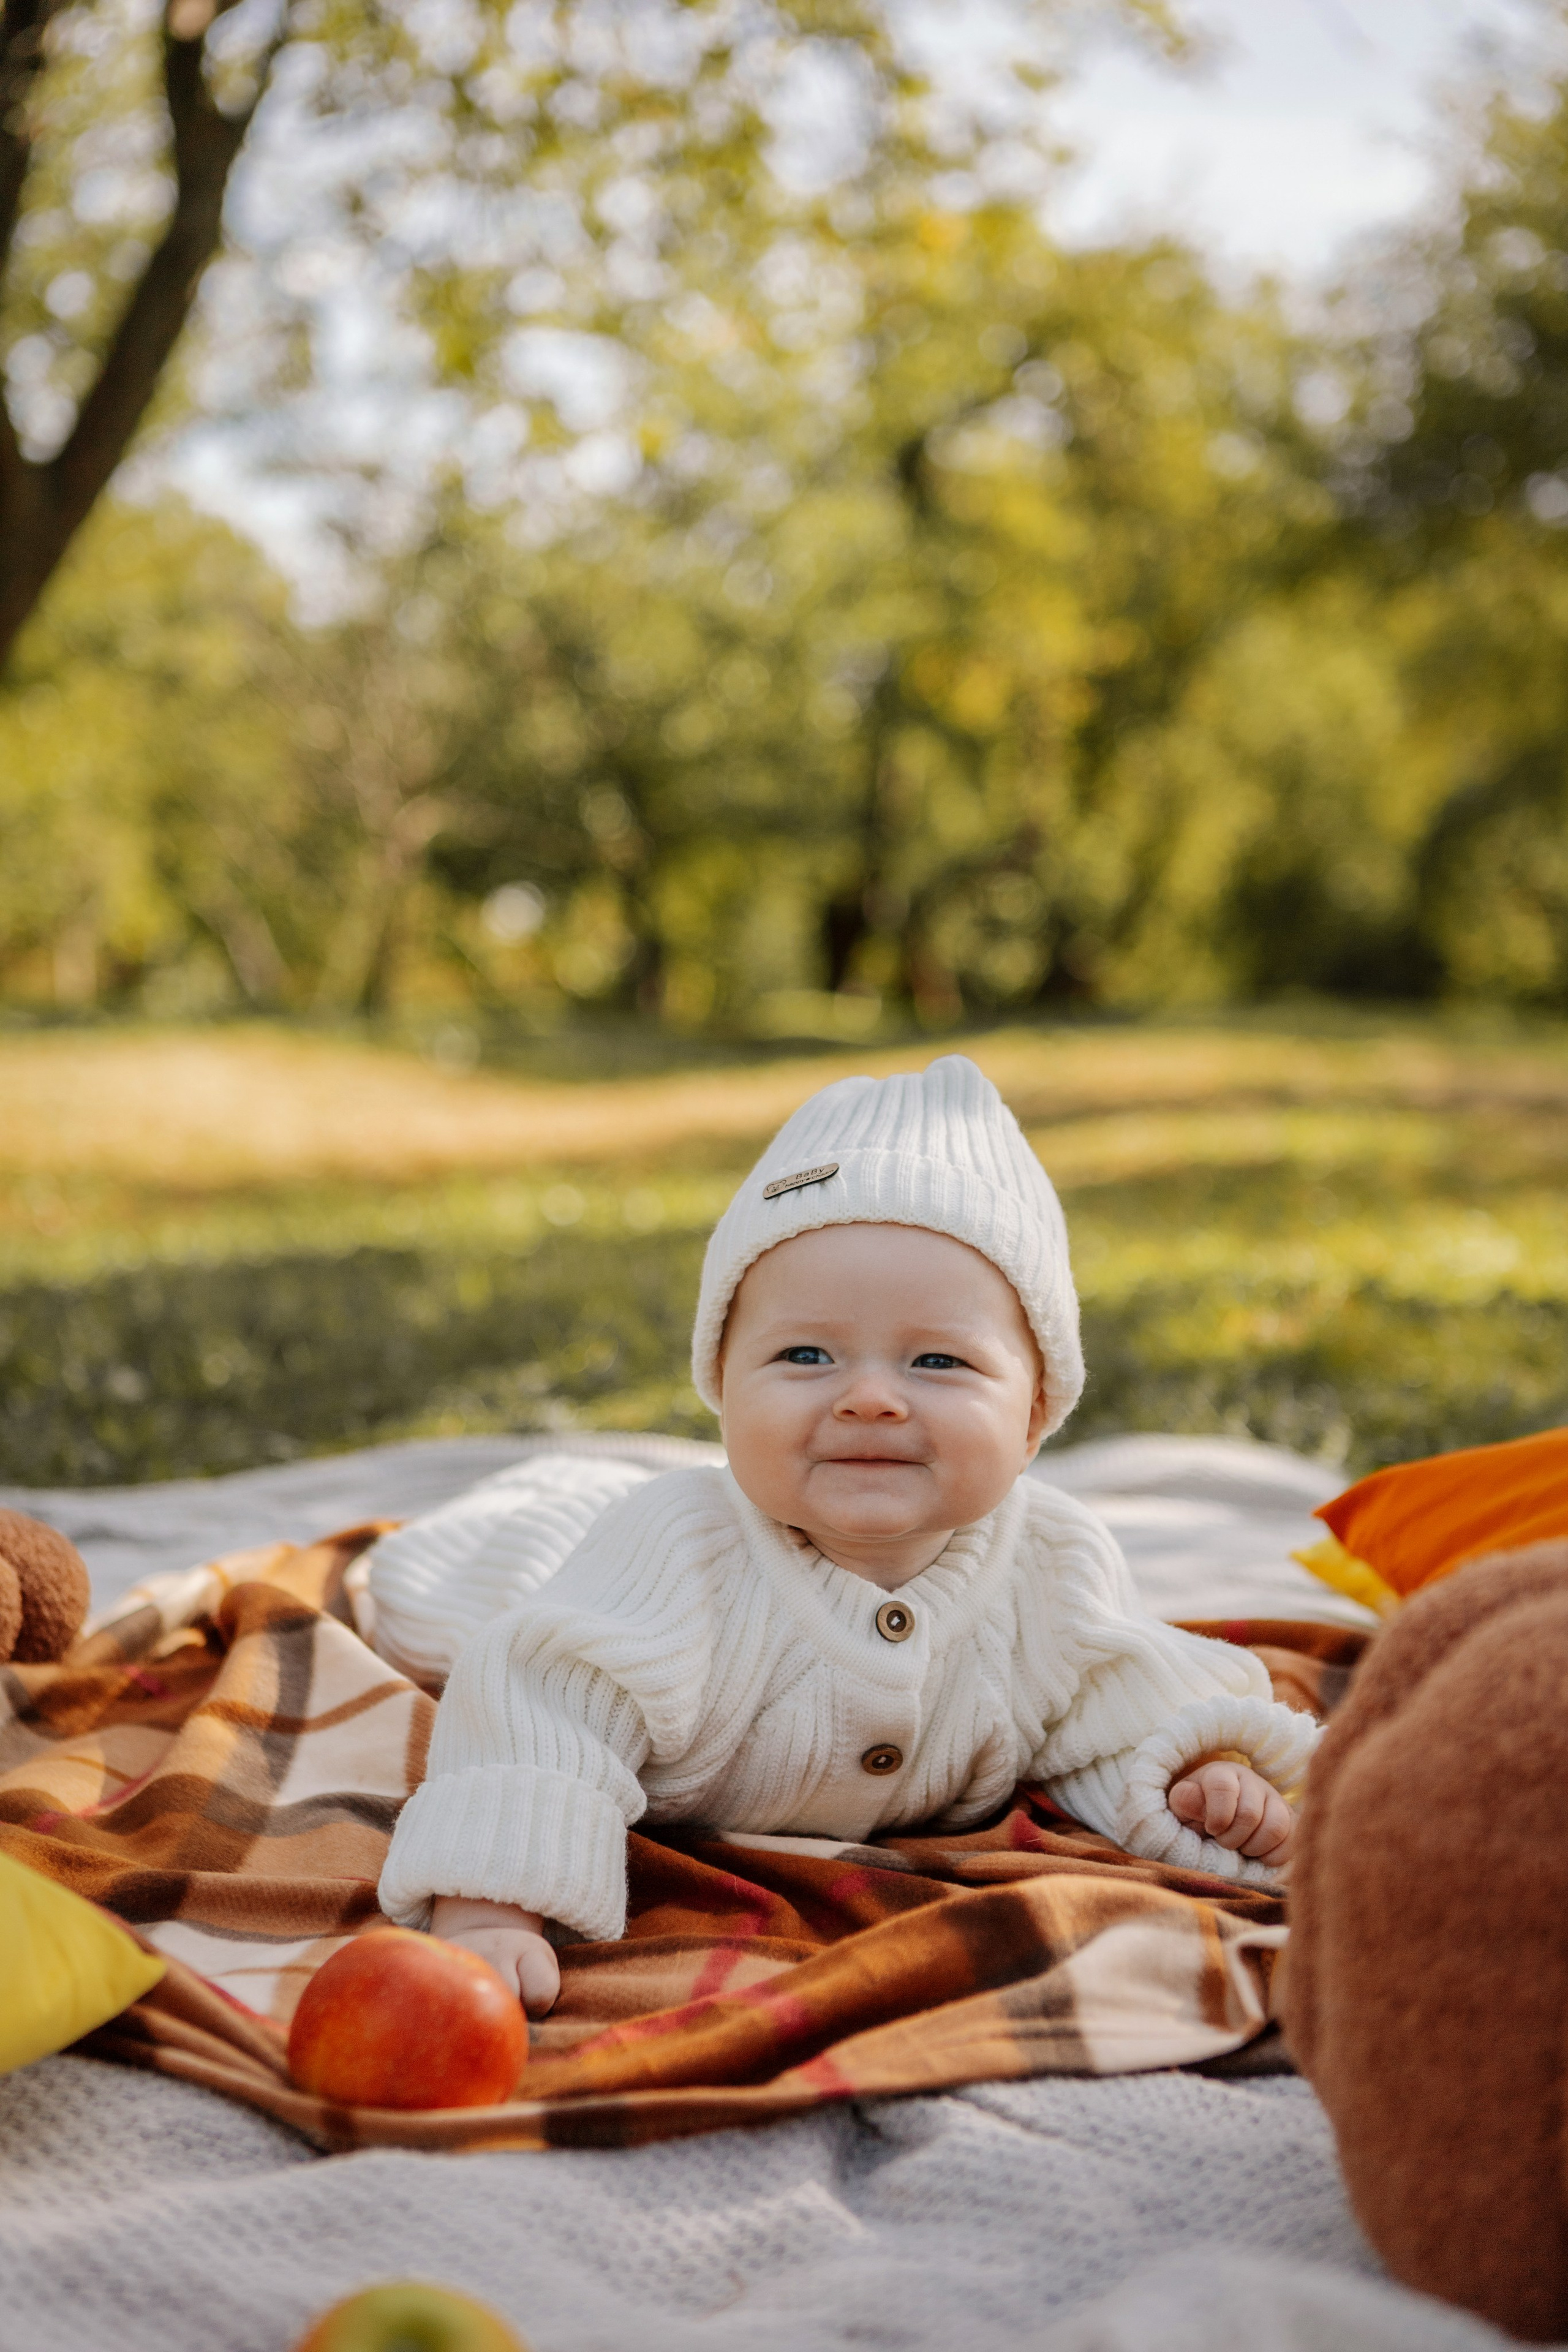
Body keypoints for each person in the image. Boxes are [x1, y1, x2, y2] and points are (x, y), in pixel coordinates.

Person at [378, 1056, 1317, 2014]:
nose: (869, 1398)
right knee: (451, 1591)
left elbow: (1114, 1705)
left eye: (938, 1359)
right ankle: (522, 1513)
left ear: (1035, 1417)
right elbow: (540, 1708)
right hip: (539, 1563)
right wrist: (493, 1903)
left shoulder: (1054, 1566)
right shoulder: (675, 1557)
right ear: (723, 1388)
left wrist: (1198, 1783)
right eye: (805, 1354)